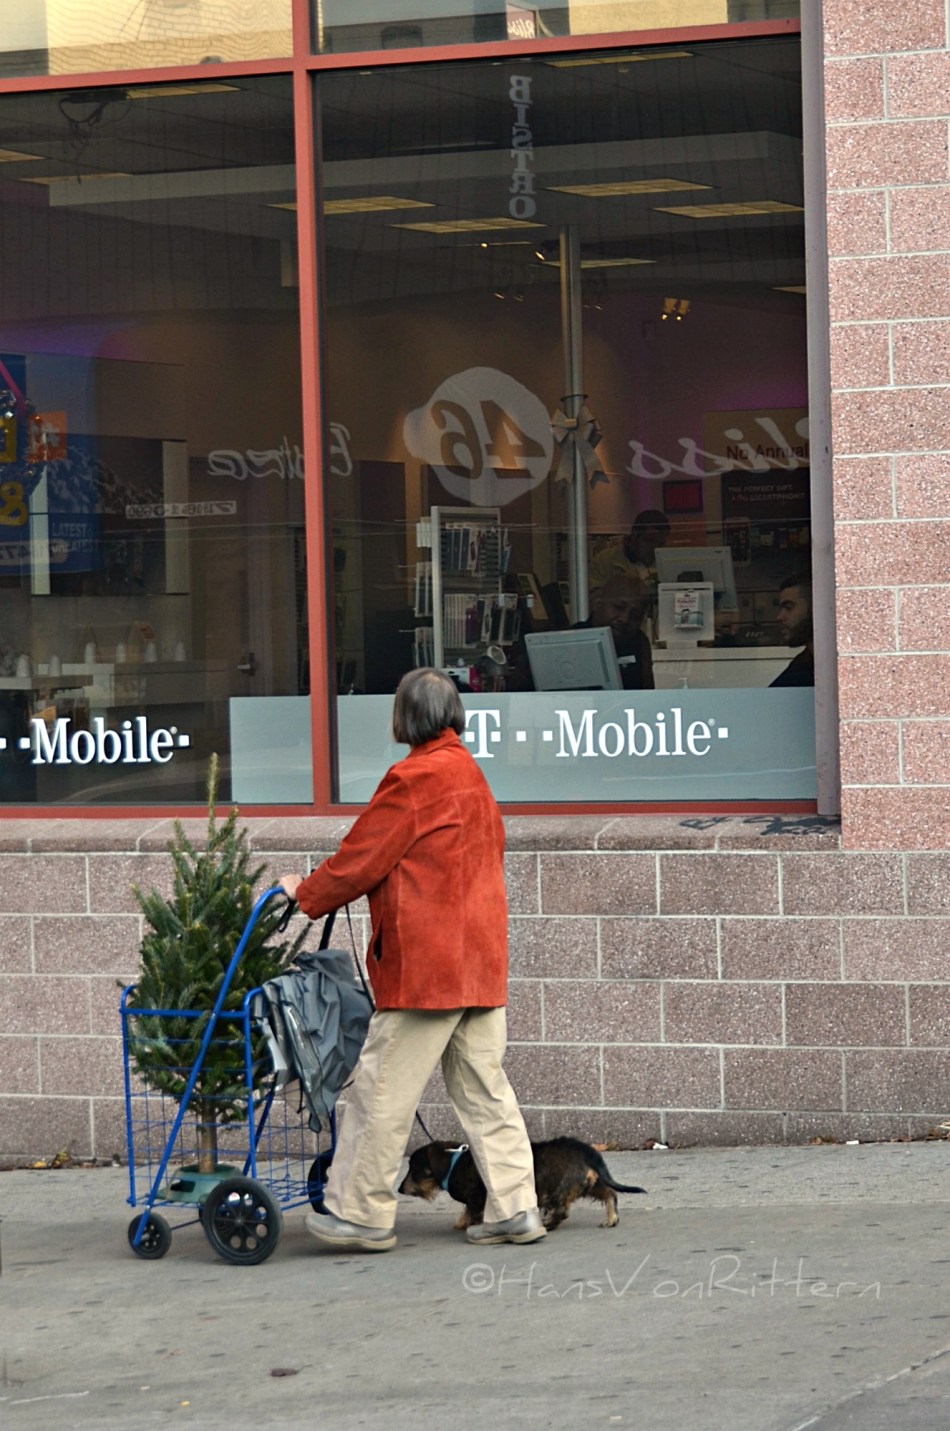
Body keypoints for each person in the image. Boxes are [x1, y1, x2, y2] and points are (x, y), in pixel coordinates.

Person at [279, 667, 544, 1253]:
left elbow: (360, 858)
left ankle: (359, 1212)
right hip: (480, 963)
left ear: (403, 718)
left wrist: (303, 893)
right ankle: (515, 1207)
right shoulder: (471, 775)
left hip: (429, 969)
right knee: (485, 1090)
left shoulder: (413, 779)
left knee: (379, 1092)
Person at [576, 574, 655, 690]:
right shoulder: (572, 638)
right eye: (619, 607)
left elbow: (646, 697)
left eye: (635, 616)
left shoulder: (639, 641)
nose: (625, 619)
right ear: (597, 604)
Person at [587, 508, 671, 595]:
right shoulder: (605, 560)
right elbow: (593, 594)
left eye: (660, 543)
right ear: (634, 535)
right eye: (649, 541)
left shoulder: (669, 563)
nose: (655, 548)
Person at [770, 572, 814, 687]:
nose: (780, 617)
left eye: (789, 607)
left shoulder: (839, 665)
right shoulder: (802, 665)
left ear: (815, 608)